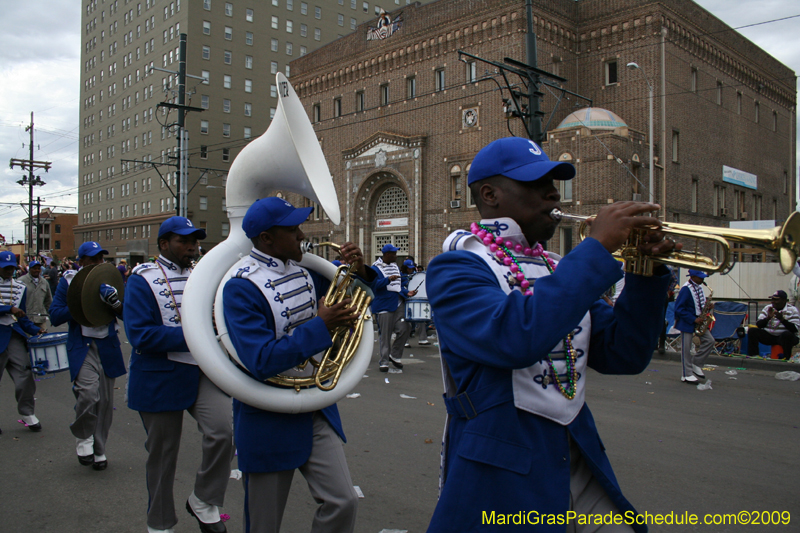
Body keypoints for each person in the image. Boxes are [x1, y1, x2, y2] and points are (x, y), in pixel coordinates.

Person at [425, 137, 677, 533]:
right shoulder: (455, 267)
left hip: (575, 456)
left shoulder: (559, 268)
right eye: (535, 183)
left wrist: (644, 273)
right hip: (504, 470)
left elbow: (623, 353)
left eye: (555, 181)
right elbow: (514, 338)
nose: (553, 192)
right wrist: (595, 250)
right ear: (490, 195)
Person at [222, 197, 377, 533]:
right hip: (267, 415)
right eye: (292, 230)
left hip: (315, 407)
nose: (302, 235)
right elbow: (260, 359)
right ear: (266, 238)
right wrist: (321, 325)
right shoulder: (240, 287)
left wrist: (359, 270)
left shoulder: (306, 271)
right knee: (264, 524)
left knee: (343, 502)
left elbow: (363, 298)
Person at [124, 216, 233, 533]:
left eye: (195, 241)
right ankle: (159, 522)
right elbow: (141, 335)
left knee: (224, 431)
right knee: (163, 455)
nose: (192, 246)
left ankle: (203, 498)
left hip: (204, 371)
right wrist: (198, 335)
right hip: (160, 375)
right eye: (184, 241)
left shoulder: (205, 275)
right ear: (163, 244)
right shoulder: (141, 279)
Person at [50, 242, 126, 470]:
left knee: (104, 402)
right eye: (92, 259)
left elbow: (126, 314)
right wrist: (81, 306)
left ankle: (100, 449)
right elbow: (54, 315)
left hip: (107, 346)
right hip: (83, 346)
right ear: (81, 260)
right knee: (88, 394)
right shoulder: (68, 281)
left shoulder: (110, 279)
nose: (97, 263)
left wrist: (115, 303)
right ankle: (84, 437)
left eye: (100, 259)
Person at [0, 251, 45, 434]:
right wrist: (9, 308)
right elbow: (13, 310)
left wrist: (36, 330)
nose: (9, 271)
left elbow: (22, 317)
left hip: (14, 335)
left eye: (12, 267)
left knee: (25, 375)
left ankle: (27, 413)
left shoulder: (19, 287)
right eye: (5, 268)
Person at [371, 244, 416, 371]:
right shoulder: (375, 268)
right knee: (385, 335)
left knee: (405, 328)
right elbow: (373, 285)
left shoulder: (395, 266)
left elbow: (398, 286)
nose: (396, 256)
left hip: (398, 302)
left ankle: (395, 355)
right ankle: (384, 361)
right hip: (384, 305)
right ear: (386, 255)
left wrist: (407, 292)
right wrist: (387, 280)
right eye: (393, 254)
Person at [673, 269, 714, 383]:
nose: (702, 279)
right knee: (686, 350)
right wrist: (694, 319)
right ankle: (686, 374)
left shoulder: (699, 286)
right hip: (687, 321)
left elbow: (697, 303)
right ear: (693, 277)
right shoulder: (686, 289)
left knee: (710, 340)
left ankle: (697, 363)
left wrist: (707, 306)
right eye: (700, 277)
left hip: (698, 320)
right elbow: (679, 309)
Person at [747, 290, 799, 360]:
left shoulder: (792, 310)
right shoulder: (768, 308)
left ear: (784, 301)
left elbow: (795, 329)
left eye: (776, 300)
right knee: (752, 331)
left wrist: (782, 320)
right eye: (772, 299)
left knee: (787, 335)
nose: (773, 302)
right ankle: (754, 356)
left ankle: (787, 358)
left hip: (784, 337)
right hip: (770, 336)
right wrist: (768, 318)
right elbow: (759, 325)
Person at [403, 259, 430, 347]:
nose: (411, 270)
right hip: (405, 299)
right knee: (407, 322)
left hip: (416, 298)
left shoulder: (415, 275)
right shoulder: (401, 276)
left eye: (412, 268)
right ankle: (405, 341)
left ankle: (423, 339)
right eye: (409, 268)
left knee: (421, 318)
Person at [18, 261, 53, 328]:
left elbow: (48, 301)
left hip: (40, 319)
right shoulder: (21, 281)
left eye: (38, 268)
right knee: (26, 338)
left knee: (42, 337)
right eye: (34, 268)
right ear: (30, 269)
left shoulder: (44, 282)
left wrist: (51, 316)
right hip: (26, 319)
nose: (36, 270)